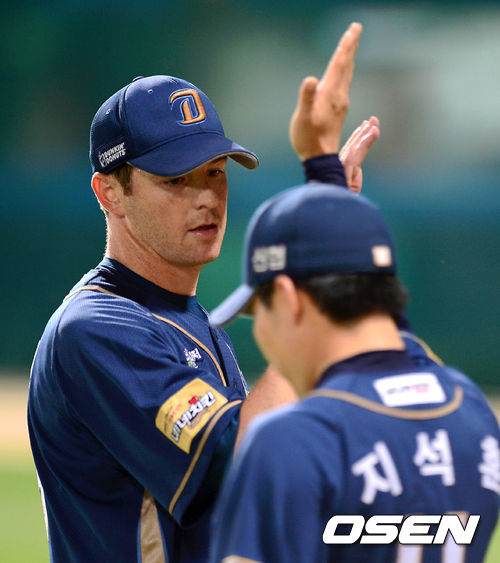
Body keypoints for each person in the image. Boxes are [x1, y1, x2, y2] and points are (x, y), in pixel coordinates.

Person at [27, 22, 380, 563]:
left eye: (215, 172)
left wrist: (326, 213)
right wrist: (318, 267)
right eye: (174, 179)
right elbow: (239, 465)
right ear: (109, 193)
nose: (206, 198)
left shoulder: (186, 318)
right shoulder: (96, 331)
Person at [208, 184, 500, 562]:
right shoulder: (471, 409)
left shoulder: (290, 440)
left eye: (257, 311)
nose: (261, 330)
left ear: (287, 298)